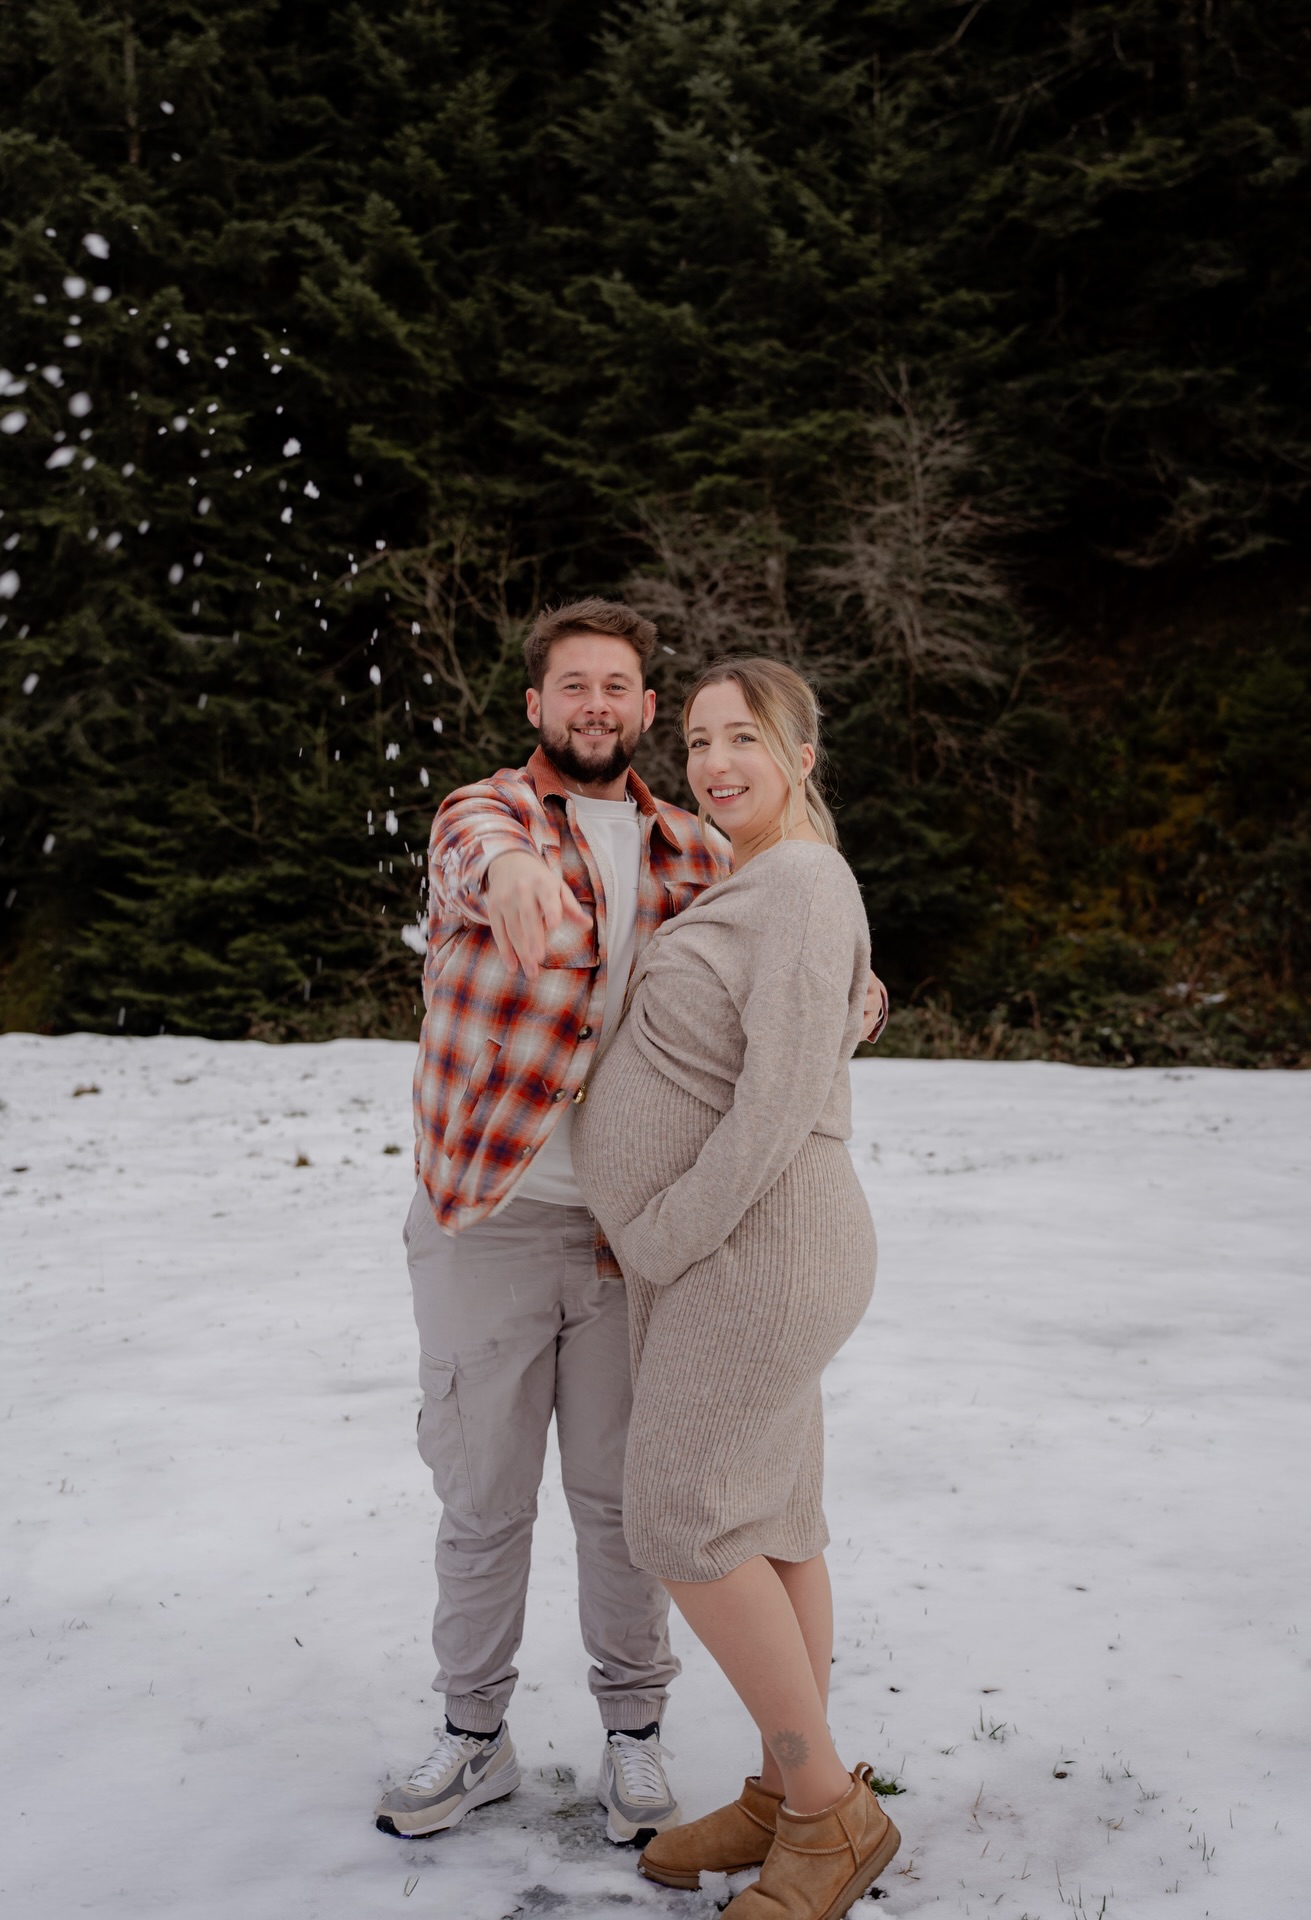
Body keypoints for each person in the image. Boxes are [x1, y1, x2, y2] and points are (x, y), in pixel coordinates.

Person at [374, 601, 889, 1849]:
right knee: (485, 1499)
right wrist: (508, 877)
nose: (597, 703)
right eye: (572, 686)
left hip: (632, 1239)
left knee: (632, 1506)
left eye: (620, 686)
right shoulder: (480, 814)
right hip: (489, 1216)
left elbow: (793, 947)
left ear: (645, 710)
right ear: (537, 707)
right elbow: (474, 850)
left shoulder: (695, 849)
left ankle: (636, 1738)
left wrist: (861, 992)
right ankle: (474, 1733)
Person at [574, 657, 901, 1920]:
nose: (715, 762)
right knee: (770, 1520)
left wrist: (660, 1232)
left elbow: (776, 1106)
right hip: (735, 1250)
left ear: (802, 756)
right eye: (702, 739)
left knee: (681, 1517)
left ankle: (827, 1816)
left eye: (744, 739)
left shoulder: (805, 881)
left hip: (756, 1248)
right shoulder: (753, 881)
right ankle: (780, 1790)